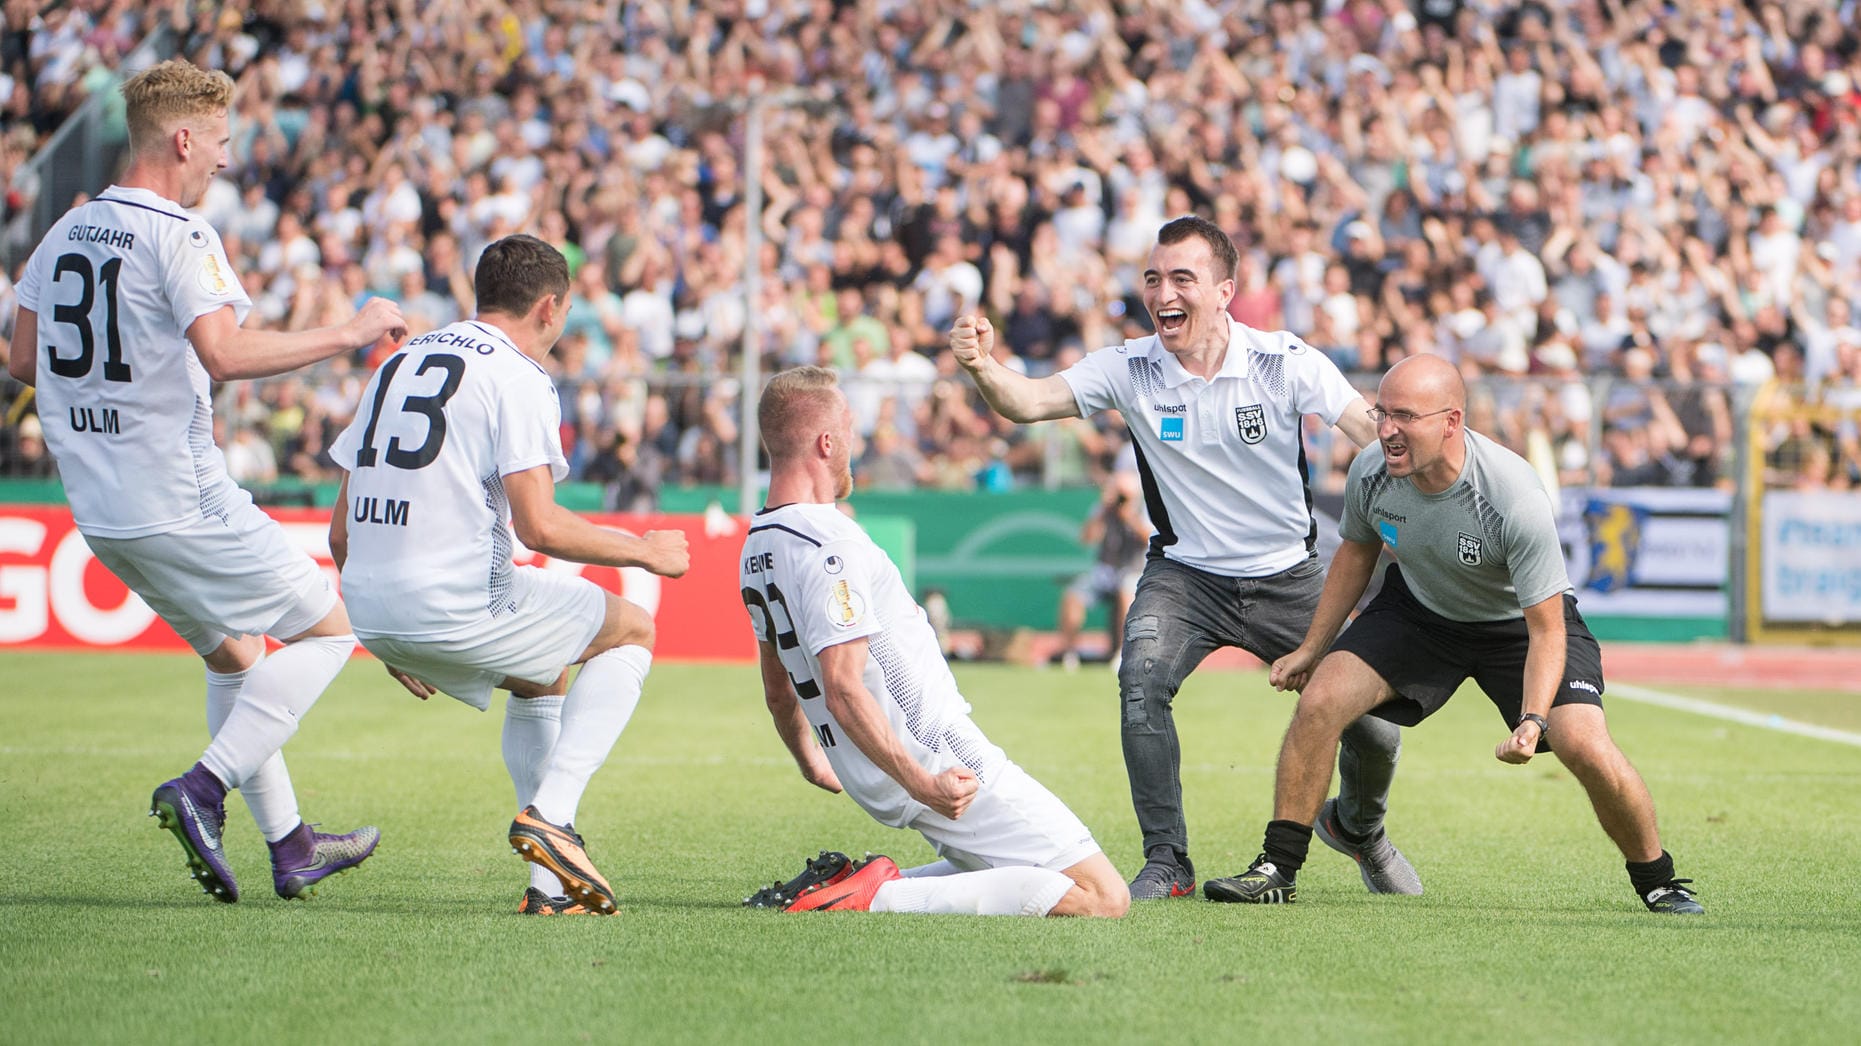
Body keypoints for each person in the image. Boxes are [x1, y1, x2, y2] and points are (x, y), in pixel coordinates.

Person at [5, 59, 406, 904]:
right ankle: (202, 787)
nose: (224, 160)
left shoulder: (64, 232)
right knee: (332, 632)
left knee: (233, 656)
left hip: (103, 515)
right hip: (180, 496)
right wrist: (352, 330)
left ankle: (292, 846)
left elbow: (18, 358)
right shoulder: (180, 235)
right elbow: (223, 354)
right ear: (184, 139)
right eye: (220, 142)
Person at [950, 214, 1418, 901]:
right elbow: (1028, 402)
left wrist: (1432, 472)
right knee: (1139, 681)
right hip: (1184, 578)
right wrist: (981, 366)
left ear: (1224, 291)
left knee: (1374, 722)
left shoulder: (1283, 360)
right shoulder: (1128, 366)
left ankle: (1358, 827)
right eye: (1152, 278)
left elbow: (1366, 430)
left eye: (1181, 278)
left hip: (1291, 577)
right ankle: (1166, 862)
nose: (1162, 291)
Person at [1205, 354, 1704, 914]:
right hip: (1421, 613)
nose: (1387, 430)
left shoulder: (1512, 495)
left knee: (1584, 744)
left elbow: (1545, 628)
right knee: (1320, 700)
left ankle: (1658, 880)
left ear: (1451, 421)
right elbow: (1355, 554)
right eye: (1382, 412)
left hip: (1518, 628)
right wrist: (1311, 648)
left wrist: (1534, 720)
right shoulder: (1371, 470)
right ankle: (1278, 867)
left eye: (1405, 417)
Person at [328, 234, 689, 916]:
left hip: (369, 607)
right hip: (454, 601)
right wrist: (644, 550)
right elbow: (540, 527)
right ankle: (553, 817)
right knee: (630, 629)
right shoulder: (518, 375)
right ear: (550, 308)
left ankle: (549, 892)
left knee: (543, 670)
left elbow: (339, 531)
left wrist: (383, 633)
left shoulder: (398, 360)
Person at [740, 366, 1127, 917]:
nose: (855, 444)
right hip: (935, 753)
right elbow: (844, 688)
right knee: (1103, 897)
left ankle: (851, 884)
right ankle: (873, 894)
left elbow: (778, 689)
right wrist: (925, 783)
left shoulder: (757, 545)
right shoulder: (830, 541)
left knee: (1021, 872)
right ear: (827, 442)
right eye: (849, 429)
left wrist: (811, 759)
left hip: (877, 766)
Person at [1054, 453, 1147, 672]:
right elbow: (1087, 538)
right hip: (1105, 571)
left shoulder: (1142, 508)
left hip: (1133, 570)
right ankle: (1068, 653)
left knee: (1127, 593)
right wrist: (1104, 511)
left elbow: (1148, 538)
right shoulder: (1104, 510)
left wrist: (1129, 515)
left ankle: (1122, 655)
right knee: (1073, 595)